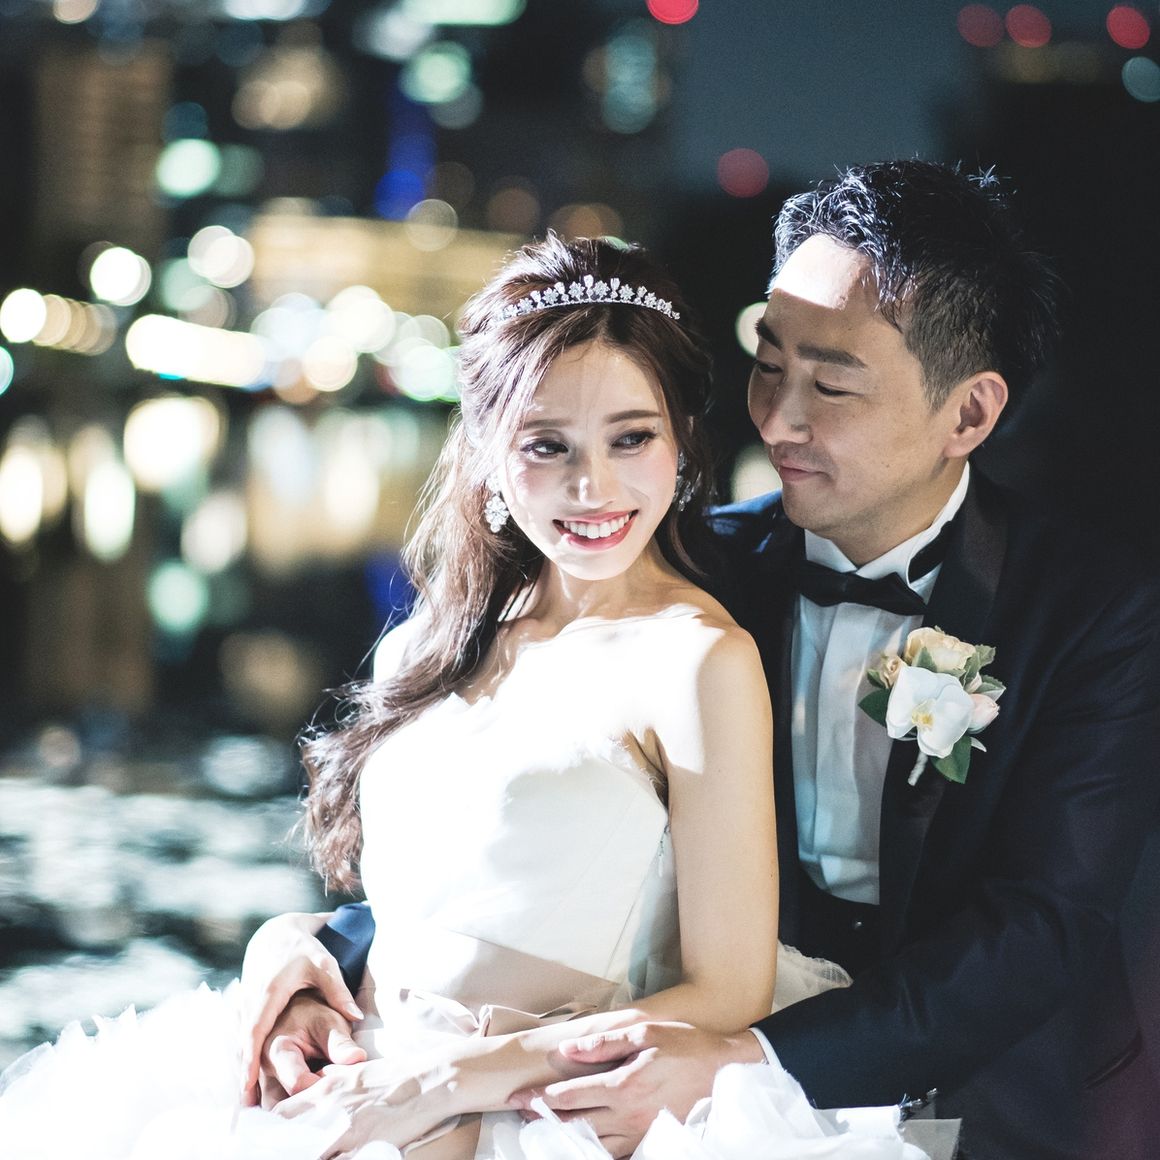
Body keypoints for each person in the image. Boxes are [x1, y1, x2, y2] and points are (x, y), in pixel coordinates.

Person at [253, 162, 1160, 1160]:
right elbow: (518, 825)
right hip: (668, 1074)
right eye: (768, 363)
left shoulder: (1088, 612)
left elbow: (1038, 927)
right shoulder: (685, 566)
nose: (774, 418)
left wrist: (748, 1060)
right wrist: (322, 944)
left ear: (968, 415)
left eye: (831, 384)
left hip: (987, 1098)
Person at [2, 236, 884, 1160]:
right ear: (491, 453)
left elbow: (729, 992)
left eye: (632, 438)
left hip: (523, 1109)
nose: (593, 486)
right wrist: (294, 947)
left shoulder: (697, 661)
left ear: (680, 441)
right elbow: (418, 904)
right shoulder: (428, 643)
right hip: (355, 1073)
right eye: (547, 445)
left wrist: (445, 1083)